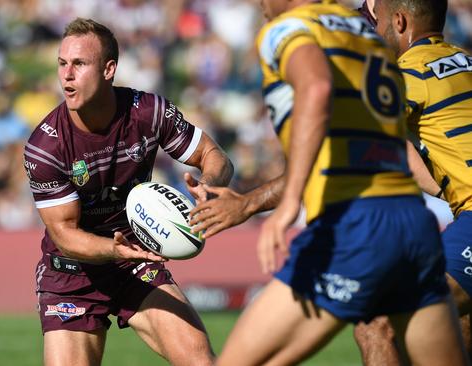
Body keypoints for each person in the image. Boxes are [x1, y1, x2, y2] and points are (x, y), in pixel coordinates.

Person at [188, 0, 468, 365]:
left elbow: (318, 89)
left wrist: (286, 203)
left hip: (355, 225)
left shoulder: (290, 29)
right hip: (413, 223)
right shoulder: (368, 41)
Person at [23, 18, 233, 366]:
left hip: (135, 265)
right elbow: (64, 234)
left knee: (202, 362)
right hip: (72, 273)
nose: (67, 75)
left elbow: (214, 156)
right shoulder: (46, 147)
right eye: (62, 64)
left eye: (79, 64)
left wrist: (211, 186)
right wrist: (115, 247)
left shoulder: (148, 113)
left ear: (109, 69)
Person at [352, 0, 472, 364]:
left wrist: (253, 201)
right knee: (459, 327)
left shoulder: (404, 73)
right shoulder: (463, 60)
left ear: (400, 22)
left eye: (375, 23)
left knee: (379, 320)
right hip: (465, 215)